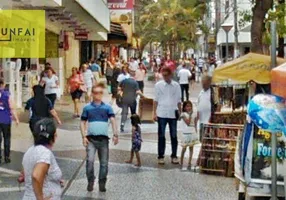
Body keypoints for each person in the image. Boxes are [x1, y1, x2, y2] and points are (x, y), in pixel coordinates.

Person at [80, 83, 119, 192]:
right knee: (90, 161)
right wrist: (83, 136)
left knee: (104, 163)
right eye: (96, 93)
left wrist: (115, 134)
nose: (98, 95)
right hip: (91, 139)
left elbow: (112, 120)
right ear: (92, 94)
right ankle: (90, 181)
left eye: (100, 93)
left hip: (103, 140)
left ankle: (102, 182)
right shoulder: (87, 108)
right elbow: (82, 122)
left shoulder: (107, 107)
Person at [22, 118, 63, 200]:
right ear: (53, 136)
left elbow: (24, 174)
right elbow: (36, 176)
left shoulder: (30, 150)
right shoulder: (45, 153)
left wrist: (55, 180)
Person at [154, 67, 181, 165]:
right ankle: (160, 156)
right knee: (161, 135)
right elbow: (156, 100)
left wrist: (180, 112)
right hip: (161, 112)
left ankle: (174, 155)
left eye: (166, 75)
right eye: (163, 75)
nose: (165, 77)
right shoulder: (158, 85)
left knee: (174, 135)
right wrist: (154, 113)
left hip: (173, 112)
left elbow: (179, 100)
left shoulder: (176, 86)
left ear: (170, 75)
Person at [0, 79, 19, 164]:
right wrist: (16, 118)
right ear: (3, 84)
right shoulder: (7, 94)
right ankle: (7, 156)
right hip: (6, 119)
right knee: (7, 138)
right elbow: (11, 106)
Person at [195, 75, 218, 141]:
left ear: (209, 83)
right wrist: (197, 116)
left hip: (210, 120)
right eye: (202, 83)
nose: (203, 85)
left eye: (205, 83)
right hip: (202, 120)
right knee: (202, 140)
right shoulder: (201, 92)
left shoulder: (213, 92)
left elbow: (217, 104)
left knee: (209, 139)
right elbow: (199, 104)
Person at [180, 101, 198, 169]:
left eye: (190, 106)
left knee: (191, 148)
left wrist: (195, 130)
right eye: (187, 106)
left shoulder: (194, 114)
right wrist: (190, 115)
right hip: (186, 132)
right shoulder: (183, 114)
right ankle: (181, 160)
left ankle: (189, 162)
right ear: (184, 107)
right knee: (184, 148)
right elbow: (187, 122)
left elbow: (195, 122)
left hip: (192, 132)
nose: (189, 108)